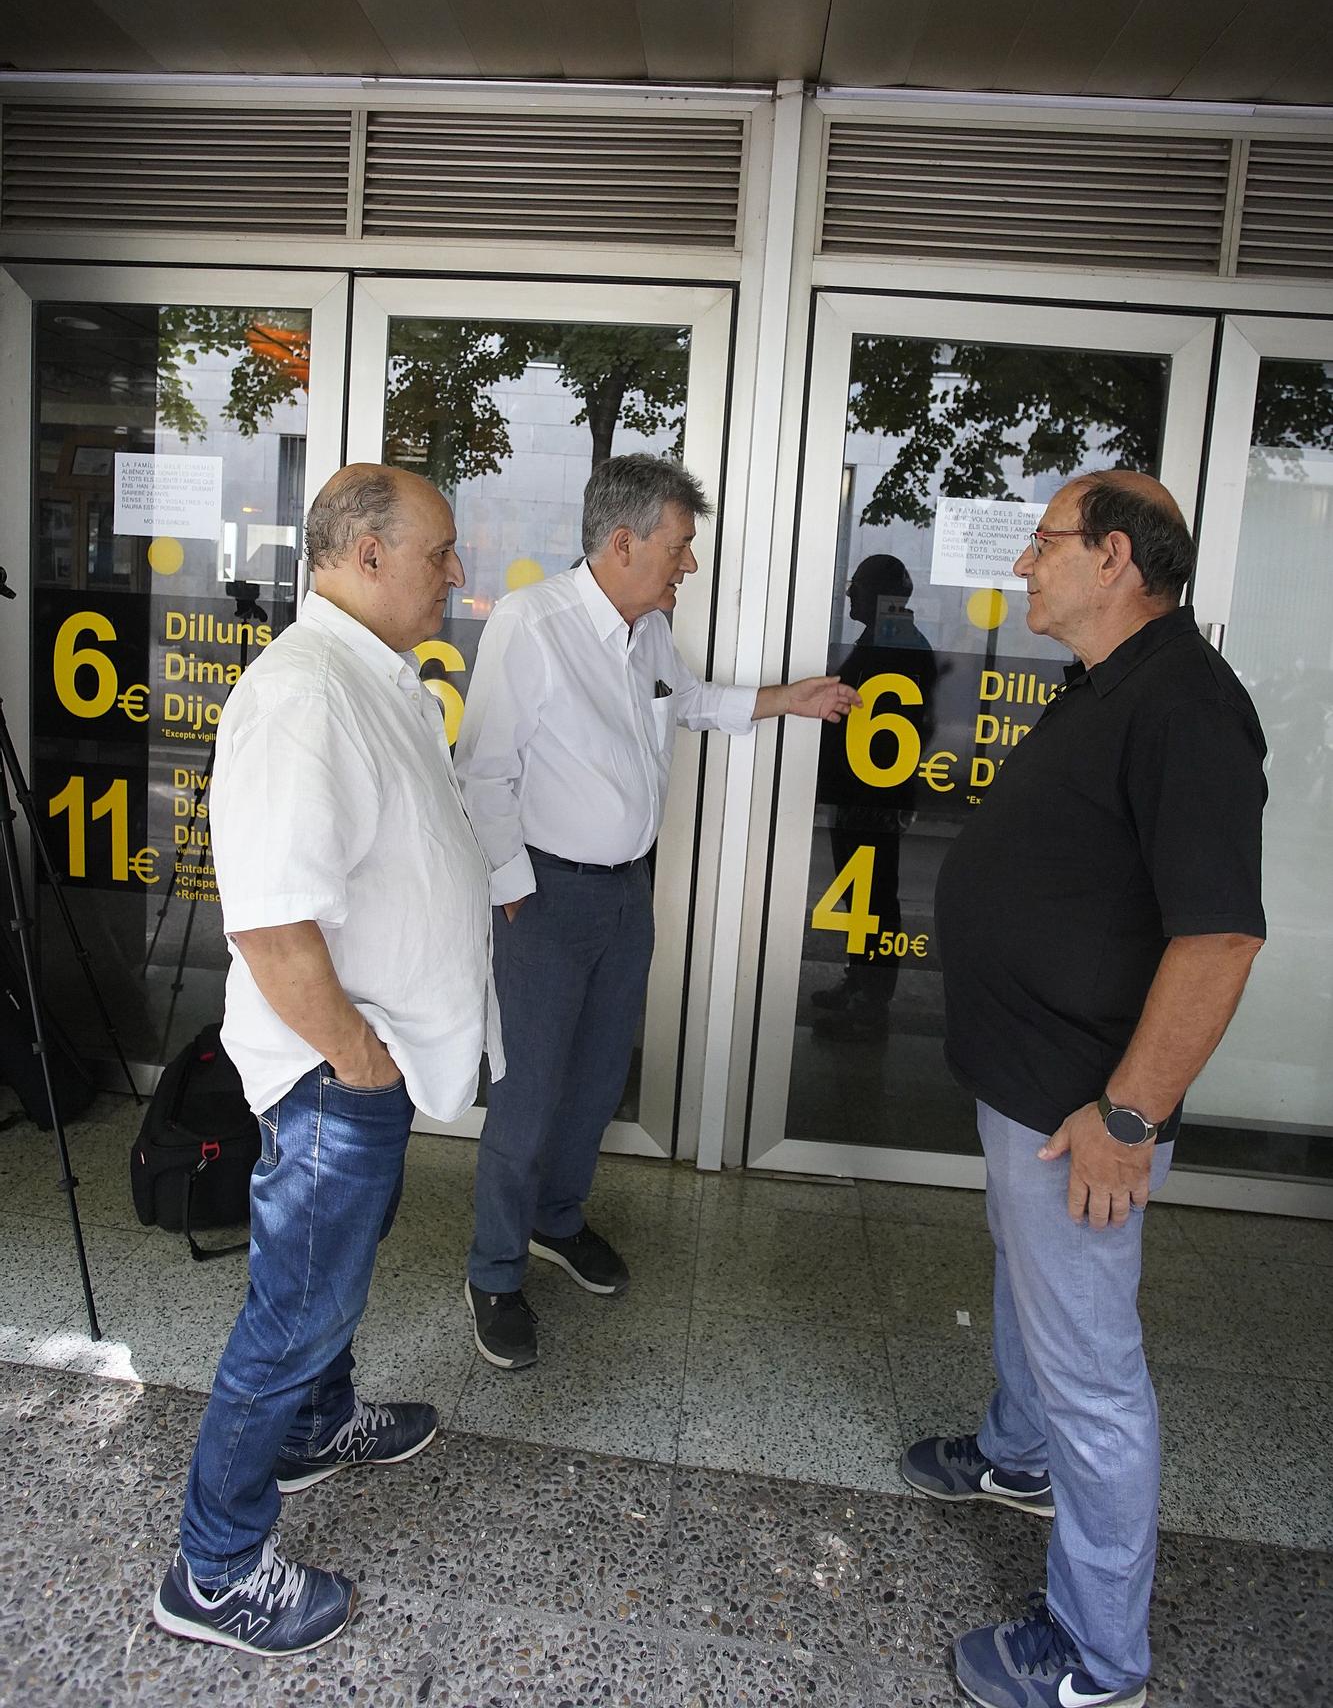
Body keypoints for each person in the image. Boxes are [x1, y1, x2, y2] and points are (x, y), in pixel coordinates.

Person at [901, 471, 1266, 1708]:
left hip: (1084, 1110)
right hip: (1032, 1084)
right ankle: (1013, 1452)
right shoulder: (1109, 684)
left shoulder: (1188, 710)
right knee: (1027, 1282)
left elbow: (1217, 939)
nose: (1022, 566)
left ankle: (1098, 1653)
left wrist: (1126, 1116)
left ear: (1113, 556)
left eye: (1042, 543)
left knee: (1094, 1372)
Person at [154, 464, 500, 1658]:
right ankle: (213, 1566)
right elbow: (270, 924)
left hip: (367, 1063)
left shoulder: (370, 675)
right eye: (439, 549)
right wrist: (359, 1064)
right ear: (362, 556)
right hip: (329, 1075)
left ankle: (317, 1424)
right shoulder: (303, 694)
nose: (457, 572)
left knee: (329, 1286)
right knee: (291, 1313)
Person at [454, 452, 858, 1370]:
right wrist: (514, 890)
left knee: (597, 1080)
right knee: (528, 1095)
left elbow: (687, 703)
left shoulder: (646, 632)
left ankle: (558, 1223)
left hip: (626, 891)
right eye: (678, 547)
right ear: (623, 540)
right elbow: (483, 769)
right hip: (543, 900)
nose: (688, 565)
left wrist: (785, 701)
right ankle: (494, 1268)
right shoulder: (533, 625)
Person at [812, 554, 936, 1035]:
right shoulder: (885, 640)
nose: (849, 594)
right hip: (861, 791)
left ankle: (871, 1002)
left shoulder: (896, 645)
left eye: (857, 586)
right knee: (862, 896)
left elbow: (906, 728)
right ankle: (859, 982)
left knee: (875, 897)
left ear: (882, 595)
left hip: (873, 794)